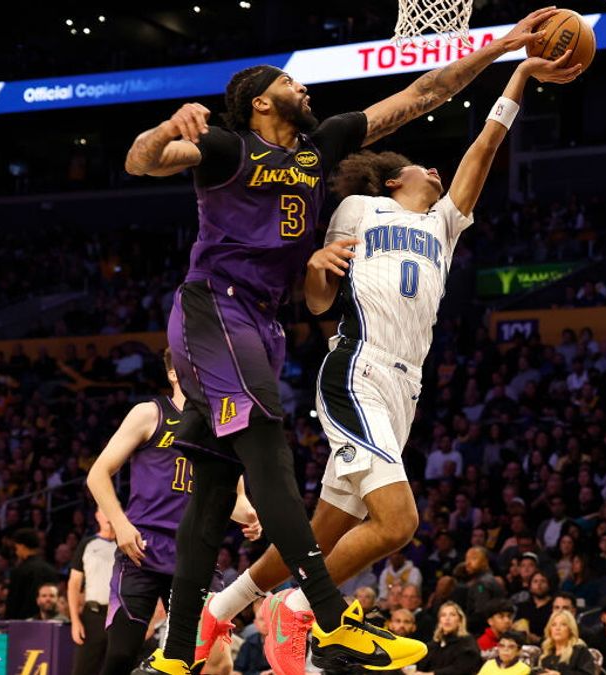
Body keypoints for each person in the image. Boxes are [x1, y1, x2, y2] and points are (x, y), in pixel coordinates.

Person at [123, 7, 566, 675]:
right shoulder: (230, 149)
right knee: (280, 465)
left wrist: (504, 47)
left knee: (214, 491)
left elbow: (425, 94)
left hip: (271, 327)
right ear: (261, 99)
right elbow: (143, 162)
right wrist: (165, 129)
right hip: (221, 310)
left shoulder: (321, 147)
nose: (308, 92)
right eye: (294, 85)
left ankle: (180, 651)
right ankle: (325, 615)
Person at [85, 350, 258, 675]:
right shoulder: (150, 413)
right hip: (144, 550)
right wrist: (120, 524)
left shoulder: (224, 425)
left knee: (217, 664)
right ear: (174, 374)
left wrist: (251, 516)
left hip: (197, 553)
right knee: (121, 656)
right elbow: (97, 473)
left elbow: (235, 499)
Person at [70, 509, 117, 675]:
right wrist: (75, 621)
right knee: (83, 670)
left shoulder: (126, 545)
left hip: (119, 617)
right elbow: (74, 584)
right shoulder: (87, 544)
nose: (108, 516)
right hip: (93, 616)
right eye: (103, 511)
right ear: (97, 516)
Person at [413, 602, 482, 675]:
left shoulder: (467, 642)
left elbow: (461, 669)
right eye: (443, 615)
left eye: (452, 615)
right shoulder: (434, 645)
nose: (447, 618)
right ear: (439, 621)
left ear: (460, 620)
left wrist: (431, 674)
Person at [6, 527, 58, 621]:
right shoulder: (50, 569)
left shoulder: (19, 571)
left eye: (16, 547)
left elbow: (13, 603)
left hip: (21, 625)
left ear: (21, 546)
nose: (16, 551)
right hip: (49, 622)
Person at [536, 609, 596, 675]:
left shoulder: (580, 651)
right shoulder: (546, 652)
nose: (557, 628)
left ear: (570, 629)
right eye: (553, 625)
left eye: (563, 624)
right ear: (550, 629)